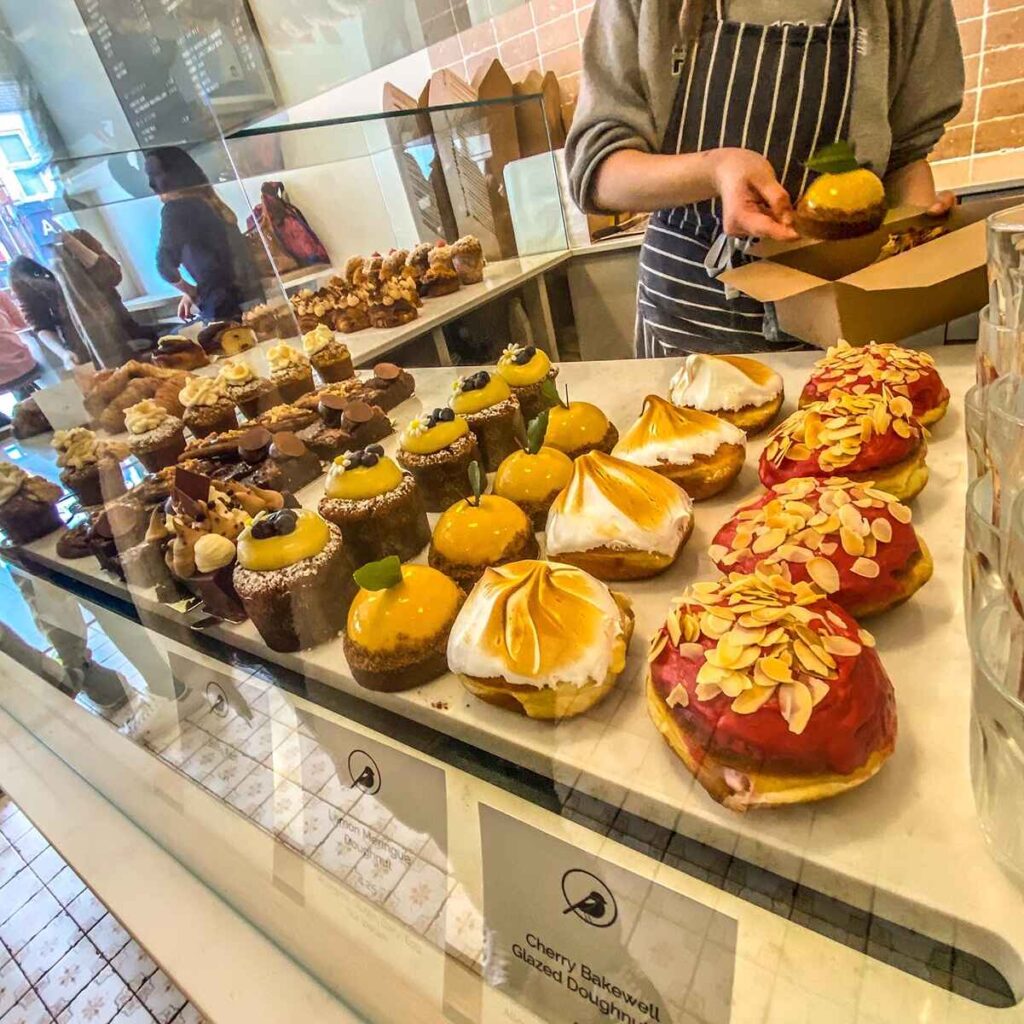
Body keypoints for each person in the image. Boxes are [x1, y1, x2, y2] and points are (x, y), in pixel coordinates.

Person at [566, 0, 965, 356]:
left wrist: (914, 229)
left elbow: (905, 158)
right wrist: (714, 169)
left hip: (842, 322)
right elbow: (597, 172)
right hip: (686, 322)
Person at [145, 146, 261, 323]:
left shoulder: (176, 209)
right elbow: (222, 264)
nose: (151, 183)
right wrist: (199, 289)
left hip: (223, 309)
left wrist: (191, 291)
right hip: (253, 299)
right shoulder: (209, 200)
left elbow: (164, 265)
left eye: (155, 174)